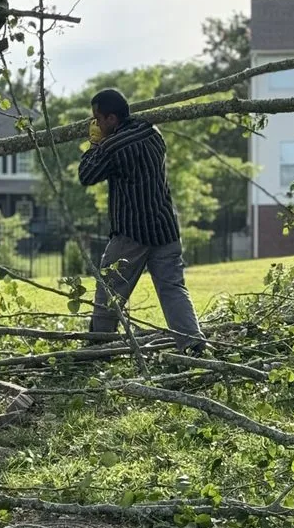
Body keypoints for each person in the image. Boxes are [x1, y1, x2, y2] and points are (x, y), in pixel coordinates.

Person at [78, 88, 206, 353]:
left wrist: (94, 144)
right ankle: (192, 343)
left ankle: (99, 347)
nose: (96, 124)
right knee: (173, 289)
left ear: (112, 118)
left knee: (109, 292)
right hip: (165, 228)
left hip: (131, 233)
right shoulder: (152, 132)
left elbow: (87, 175)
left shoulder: (113, 145)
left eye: (98, 119)